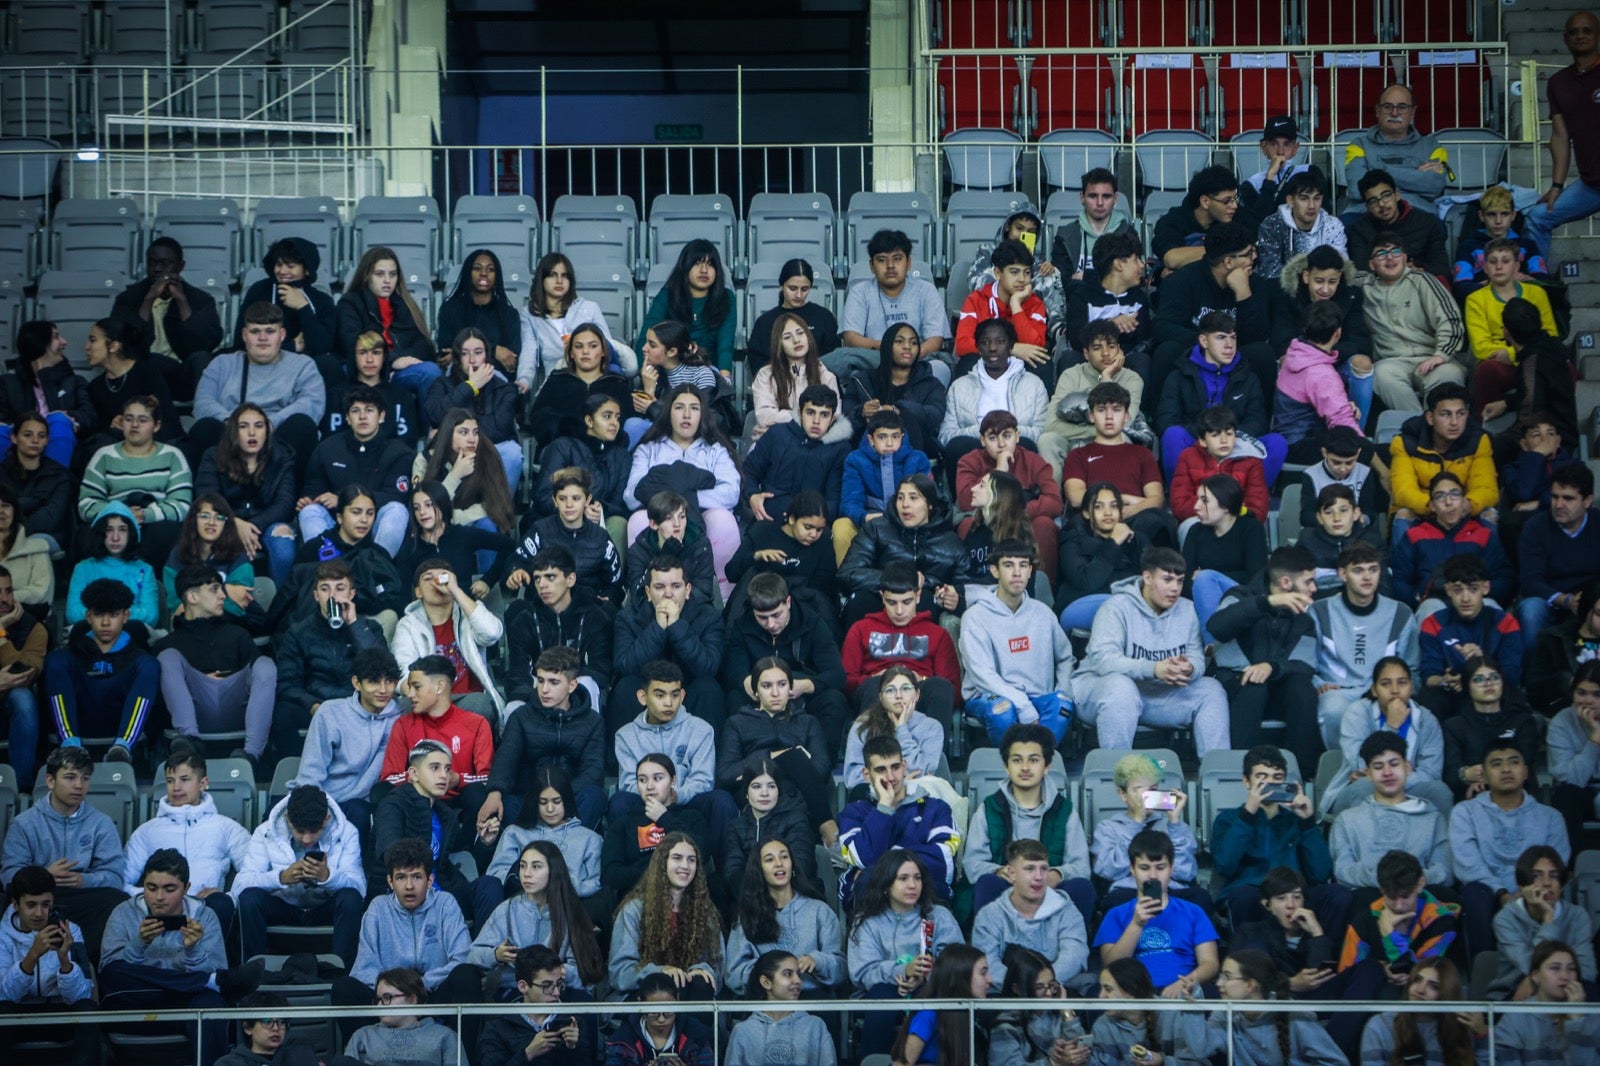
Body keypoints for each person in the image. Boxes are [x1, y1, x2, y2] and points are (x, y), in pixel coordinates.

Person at [1074, 547, 1231, 756]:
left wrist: (1190, 668)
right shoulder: (1115, 608)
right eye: (1167, 580)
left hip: (1157, 696)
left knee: (1211, 689)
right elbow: (1104, 661)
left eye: (1180, 581)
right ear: (1147, 577)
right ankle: (1117, 775)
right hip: (1100, 692)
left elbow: (1197, 657)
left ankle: (1217, 776)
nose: (1175, 588)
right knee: (1121, 688)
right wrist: (1154, 668)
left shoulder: (1188, 610)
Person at [99, 848, 250, 1065]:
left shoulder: (204, 916)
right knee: (112, 972)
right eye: (151, 888)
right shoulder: (124, 912)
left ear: (186, 888)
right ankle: (199, 982)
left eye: (169, 889)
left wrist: (193, 951)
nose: (159, 897)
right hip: (137, 1003)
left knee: (211, 1002)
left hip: (183, 1006)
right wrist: (139, 944)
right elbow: (110, 972)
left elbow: (217, 968)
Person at [335, 838, 479, 1028]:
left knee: (467, 975)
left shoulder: (446, 903)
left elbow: (462, 957)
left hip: (433, 993)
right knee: (344, 988)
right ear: (390, 881)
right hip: (389, 1000)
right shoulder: (378, 908)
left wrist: (422, 984)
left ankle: (463, 1056)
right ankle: (361, 1053)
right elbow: (364, 969)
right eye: (401, 877)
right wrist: (395, 992)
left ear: (430, 880)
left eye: (417, 877)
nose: (409, 886)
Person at [0, 745, 126, 960]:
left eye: (85, 778)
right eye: (70, 777)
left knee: (115, 900)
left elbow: (115, 877)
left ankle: (90, 966)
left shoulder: (101, 823)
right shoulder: (25, 823)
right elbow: (8, 876)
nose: (79, 785)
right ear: (50, 781)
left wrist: (83, 880)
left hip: (81, 897)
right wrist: (43, 877)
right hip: (37, 897)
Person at [964, 721, 1094, 919]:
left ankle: (1069, 946)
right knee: (987, 884)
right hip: (1006, 888)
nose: (1024, 767)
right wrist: (1001, 871)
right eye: (1016, 760)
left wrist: (1056, 875)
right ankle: (991, 948)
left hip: (1050, 889)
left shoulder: (1064, 810)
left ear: (1047, 766)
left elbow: (1081, 866)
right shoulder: (989, 808)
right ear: (1006, 767)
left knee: (1081, 888)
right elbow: (973, 863)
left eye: (1033, 760)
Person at [1451, 741, 1570, 956]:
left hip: (1536, 889)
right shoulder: (1465, 812)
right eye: (1496, 764)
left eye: (1513, 763)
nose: (1506, 769)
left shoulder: (1550, 817)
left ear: (1525, 772)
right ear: (1484, 776)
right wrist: (1502, 894)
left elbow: (1556, 863)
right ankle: (1482, 969)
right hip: (1488, 892)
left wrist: (1526, 892)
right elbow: (1468, 865)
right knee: (1474, 894)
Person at [1210, 745, 1346, 932]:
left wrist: (1307, 822)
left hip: (1294, 894)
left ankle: (1324, 955)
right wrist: (1248, 814)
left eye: (1277, 778)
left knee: (1337, 893)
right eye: (1261, 777)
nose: (1269, 784)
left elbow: (1321, 873)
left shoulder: (1296, 820)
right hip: (1252, 892)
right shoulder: (1229, 820)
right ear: (1246, 782)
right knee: (1243, 897)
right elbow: (1224, 865)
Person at [624, 383, 741, 595]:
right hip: (660, 522)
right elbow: (631, 496)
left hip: (702, 521)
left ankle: (726, 598)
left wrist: (690, 499)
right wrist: (669, 506)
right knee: (638, 519)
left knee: (722, 518)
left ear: (702, 414)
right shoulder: (649, 449)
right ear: (668, 412)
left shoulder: (715, 450)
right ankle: (642, 596)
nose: (686, 415)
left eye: (694, 408)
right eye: (679, 407)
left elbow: (731, 492)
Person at [1208, 549, 1322, 766]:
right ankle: (1240, 772)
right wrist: (1266, 603)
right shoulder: (1239, 595)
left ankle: (1306, 775)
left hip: (1278, 686)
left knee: (1301, 687)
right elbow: (1217, 627)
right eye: (1309, 582)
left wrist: (1272, 667)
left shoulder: (1305, 613)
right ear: (1286, 582)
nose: (1314, 588)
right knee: (1252, 686)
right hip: (1234, 684)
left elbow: (1306, 665)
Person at [845, 849, 963, 1056]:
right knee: (883, 995)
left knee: (929, 997)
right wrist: (903, 971)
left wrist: (925, 976)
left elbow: (957, 962)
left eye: (917, 878)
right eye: (903, 878)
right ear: (886, 884)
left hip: (929, 989)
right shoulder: (866, 921)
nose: (912, 885)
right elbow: (862, 972)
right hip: (879, 993)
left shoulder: (940, 915)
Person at [233, 783, 366, 965]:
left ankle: (342, 975)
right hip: (283, 907)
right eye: (300, 831)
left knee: (350, 898)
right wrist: (281, 878)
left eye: (314, 831)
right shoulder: (264, 832)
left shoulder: (347, 832)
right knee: (249, 899)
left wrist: (328, 877)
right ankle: (253, 972)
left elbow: (360, 888)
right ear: (288, 819)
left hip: (324, 908)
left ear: (326, 820)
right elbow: (239, 886)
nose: (306, 839)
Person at [122, 743, 250, 932]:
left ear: (203, 783)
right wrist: (151, 894)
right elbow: (121, 879)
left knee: (221, 904)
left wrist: (230, 896)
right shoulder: (147, 831)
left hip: (206, 909)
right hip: (157, 909)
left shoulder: (225, 827)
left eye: (184, 779)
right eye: (170, 780)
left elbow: (252, 872)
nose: (176, 787)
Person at [959, 539, 1076, 743]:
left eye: (1023, 565)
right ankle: (1010, 767)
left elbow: (1066, 657)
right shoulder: (975, 616)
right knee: (1002, 709)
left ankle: (1039, 763)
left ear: (1030, 571)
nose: (1016, 573)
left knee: (1064, 705)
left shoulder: (1044, 613)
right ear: (994, 571)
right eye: (1008, 565)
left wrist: (1062, 690)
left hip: (1038, 696)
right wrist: (1022, 704)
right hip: (988, 696)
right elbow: (982, 674)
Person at [190, 301, 325, 478]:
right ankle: (212, 498)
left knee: (302, 425)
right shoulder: (221, 364)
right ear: (245, 335)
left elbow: (311, 404)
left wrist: (268, 425)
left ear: (282, 334)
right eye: (255, 331)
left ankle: (294, 499)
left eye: (270, 331)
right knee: (204, 428)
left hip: (278, 437)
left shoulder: (303, 365)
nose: (263, 338)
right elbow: (202, 403)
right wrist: (237, 426)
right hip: (230, 436)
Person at [156, 563, 275, 761]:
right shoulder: (169, 644)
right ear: (192, 597)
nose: (223, 595)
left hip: (235, 706)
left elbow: (260, 682)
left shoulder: (237, 634)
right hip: (192, 709)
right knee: (167, 658)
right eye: (214, 589)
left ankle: (252, 755)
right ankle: (189, 740)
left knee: (265, 664)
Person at [273, 560, 388, 758]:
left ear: (351, 594)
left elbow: (382, 672)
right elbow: (288, 683)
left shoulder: (369, 628)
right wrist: (313, 706)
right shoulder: (298, 632)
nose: (333, 595)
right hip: (317, 704)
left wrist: (354, 625)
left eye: (340, 588)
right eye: (325, 589)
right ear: (316, 596)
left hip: (359, 704)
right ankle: (295, 771)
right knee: (283, 713)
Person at [719, 657, 837, 848]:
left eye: (782, 684)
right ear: (755, 691)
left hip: (797, 794)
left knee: (794, 767)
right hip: (753, 793)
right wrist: (774, 757)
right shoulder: (737, 722)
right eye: (766, 686)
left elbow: (821, 769)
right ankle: (827, 828)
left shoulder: (807, 722)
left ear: (790, 688)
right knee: (794, 757)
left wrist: (788, 764)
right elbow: (725, 774)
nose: (775, 693)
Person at [1310, 542, 1420, 746]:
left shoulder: (1401, 613)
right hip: (1339, 692)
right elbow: (1308, 663)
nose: (1367, 577)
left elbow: (1412, 667)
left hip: (1385, 689)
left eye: (1373, 570)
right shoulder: (1319, 611)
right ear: (1343, 574)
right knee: (1332, 709)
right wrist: (1318, 684)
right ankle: (1342, 768)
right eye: (1358, 570)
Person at [1150, 221, 1273, 404]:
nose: (1254, 258)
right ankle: (1160, 422)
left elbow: (1257, 335)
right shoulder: (1181, 281)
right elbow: (1163, 326)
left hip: (1235, 355)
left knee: (1262, 353)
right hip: (1194, 352)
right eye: (1248, 254)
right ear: (1228, 262)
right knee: (1166, 351)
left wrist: (1243, 294)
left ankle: (1261, 422)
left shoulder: (1254, 284)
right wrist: (1209, 346)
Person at [292, 645, 403, 843]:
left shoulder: (399, 718)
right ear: (357, 683)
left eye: (390, 681)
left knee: (360, 813)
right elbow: (311, 772)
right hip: (323, 798)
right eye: (374, 682)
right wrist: (314, 809)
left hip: (360, 805)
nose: (383, 690)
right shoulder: (330, 713)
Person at [371, 737, 488, 922]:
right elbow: (391, 854)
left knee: (488, 886)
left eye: (447, 769)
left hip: (443, 892)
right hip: (406, 894)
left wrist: (484, 842)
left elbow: (462, 856)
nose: (444, 775)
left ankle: (484, 949)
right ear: (413, 774)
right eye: (435, 768)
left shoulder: (444, 813)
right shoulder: (393, 805)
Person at [470, 839, 605, 998]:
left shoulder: (570, 911)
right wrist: (496, 955)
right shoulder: (507, 909)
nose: (526, 873)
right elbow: (472, 956)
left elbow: (587, 976)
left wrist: (562, 972)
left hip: (558, 991)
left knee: (582, 999)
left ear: (553, 871)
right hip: (516, 991)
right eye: (522, 866)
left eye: (536, 866)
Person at [840, 559, 961, 736]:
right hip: (876, 692)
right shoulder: (861, 629)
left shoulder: (937, 634)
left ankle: (933, 758)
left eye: (906, 602)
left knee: (939, 687)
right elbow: (845, 680)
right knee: (875, 686)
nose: (899, 611)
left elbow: (953, 691)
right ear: (882, 596)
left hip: (918, 694)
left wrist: (922, 680)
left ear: (918, 596)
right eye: (891, 602)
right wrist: (875, 679)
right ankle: (876, 753)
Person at [1093, 830, 1220, 998]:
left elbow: (1210, 963)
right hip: (1133, 992)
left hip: (1183, 987)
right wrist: (1136, 924)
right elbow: (1111, 965)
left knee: (1211, 993)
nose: (1153, 875)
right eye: (1144, 868)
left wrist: (1186, 981)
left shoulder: (1193, 912)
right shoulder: (1116, 915)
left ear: (1171, 868)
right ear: (1132, 869)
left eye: (1160, 867)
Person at [609, 553, 726, 734]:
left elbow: (709, 667)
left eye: (676, 586)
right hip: (648, 692)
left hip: (688, 690)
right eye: (659, 587)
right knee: (625, 688)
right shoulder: (628, 618)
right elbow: (624, 666)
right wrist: (658, 627)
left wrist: (677, 627)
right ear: (648, 593)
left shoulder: (709, 617)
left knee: (709, 689)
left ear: (687, 591)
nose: (668, 594)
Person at [838, 734, 959, 907]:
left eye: (895, 767)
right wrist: (884, 808)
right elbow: (863, 858)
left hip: (926, 905)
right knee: (865, 881)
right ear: (866, 775)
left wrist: (884, 861)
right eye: (880, 770)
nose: (891, 777)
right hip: (873, 912)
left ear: (904, 767)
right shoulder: (853, 814)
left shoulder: (937, 808)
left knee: (870, 875)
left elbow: (944, 865)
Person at [723, 571, 849, 736]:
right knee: (735, 698)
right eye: (762, 618)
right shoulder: (743, 626)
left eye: (777, 615)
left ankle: (823, 760)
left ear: (788, 602)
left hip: (801, 691)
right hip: (761, 694)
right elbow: (733, 670)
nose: (771, 624)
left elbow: (837, 675)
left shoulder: (812, 623)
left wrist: (805, 686)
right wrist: (748, 682)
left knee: (834, 700)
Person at [45, 576, 159, 759]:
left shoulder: (141, 661)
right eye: (98, 614)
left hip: (120, 729)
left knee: (150, 666)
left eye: (113, 614)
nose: (105, 623)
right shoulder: (66, 658)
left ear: (126, 616)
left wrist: (123, 743)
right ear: (88, 616)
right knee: (54, 662)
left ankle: (123, 747)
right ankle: (70, 746)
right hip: (79, 727)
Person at [1322, 664, 1453, 819]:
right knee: (1366, 786)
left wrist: (1398, 779)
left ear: (1411, 687)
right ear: (1374, 690)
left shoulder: (1427, 719)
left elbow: (1431, 772)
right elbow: (1361, 765)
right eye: (1385, 684)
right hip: (1359, 788)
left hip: (1409, 789)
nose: (1395, 690)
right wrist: (1391, 726)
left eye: (1402, 683)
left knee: (1440, 791)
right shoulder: (1357, 713)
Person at [1329, 732, 1454, 891]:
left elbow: (1445, 873)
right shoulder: (1347, 820)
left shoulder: (1433, 818)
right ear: (1368, 774)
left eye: (1394, 764)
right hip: (1368, 897)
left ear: (1407, 767)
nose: (1387, 772)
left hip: (1421, 896)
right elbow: (1342, 871)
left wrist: (1410, 881)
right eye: (1378, 766)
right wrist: (1384, 880)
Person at [0, 864, 98, 1066]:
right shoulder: (3, 936)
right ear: (16, 904)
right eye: (31, 905)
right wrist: (33, 955)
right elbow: (4, 995)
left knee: (88, 1009)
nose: (39, 913)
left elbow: (82, 995)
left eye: (46, 905)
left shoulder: (72, 931)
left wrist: (65, 962)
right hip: (18, 1015)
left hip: (59, 1012)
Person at [838, 474, 965, 629]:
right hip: (880, 599)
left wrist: (954, 598)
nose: (905, 504)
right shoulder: (877, 528)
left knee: (924, 601)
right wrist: (897, 580)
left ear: (930, 505)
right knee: (860, 601)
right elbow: (847, 574)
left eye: (913, 498)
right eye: (900, 498)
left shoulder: (951, 542)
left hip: (924, 604)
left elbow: (966, 587)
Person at [77, 393, 192, 565]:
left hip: (155, 522)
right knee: (86, 536)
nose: (135, 425)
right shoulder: (104, 456)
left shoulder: (172, 456)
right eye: (128, 419)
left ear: (156, 425)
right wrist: (119, 514)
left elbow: (182, 506)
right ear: (121, 422)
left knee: (167, 535)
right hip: (113, 518)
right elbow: (86, 503)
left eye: (143, 420)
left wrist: (145, 515)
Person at [1520, 11, 1600, 254]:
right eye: (1574, 32)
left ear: (1597, 35)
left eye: (1587, 30)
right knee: (1538, 217)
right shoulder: (1558, 82)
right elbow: (1560, 136)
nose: (1580, 36)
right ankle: (1538, 283)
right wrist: (1556, 185)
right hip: (1591, 185)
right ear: (1565, 38)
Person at [391, 557, 507, 725]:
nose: (437, 583)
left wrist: (456, 591)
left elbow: (492, 634)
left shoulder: (469, 613)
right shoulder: (408, 624)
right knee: (402, 706)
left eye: (444, 577)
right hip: (427, 700)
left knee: (480, 705)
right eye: (428, 578)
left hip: (467, 699)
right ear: (418, 592)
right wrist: (426, 697)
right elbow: (402, 670)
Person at [607, 832, 723, 1000]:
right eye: (677, 858)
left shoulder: (705, 911)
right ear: (662, 863)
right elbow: (620, 973)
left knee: (701, 983)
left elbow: (718, 969)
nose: (685, 865)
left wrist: (702, 970)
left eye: (691, 860)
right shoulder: (634, 910)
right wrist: (661, 971)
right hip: (644, 993)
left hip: (689, 993)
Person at [1270, 245, 1376, 428]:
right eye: (1319, 281)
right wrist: (1316, 360)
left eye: (1332, 282)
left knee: (1363, 363)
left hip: (1337, 358)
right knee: (1284, 360)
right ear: (1306, 276)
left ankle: (1359, 431)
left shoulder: (1351, 296)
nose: (1325, 289)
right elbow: (1281, 340)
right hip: (1300, 363)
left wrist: (1327, 357)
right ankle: (1289, 428)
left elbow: (1360, 341)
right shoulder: (1289, 296)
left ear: (1340, 278)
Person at [724, 839, 845, 997]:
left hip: (810, 997)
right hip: (765, 1001)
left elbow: (841, 971)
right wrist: (773, 974)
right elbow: (733, 974)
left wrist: (818, 961)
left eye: (784, 857)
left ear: (792, 864)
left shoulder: (820, 911)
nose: (778, 863)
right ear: (759, 870)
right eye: (769, 859)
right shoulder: (747, 915)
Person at [194, 403, 298, 584]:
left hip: (267, 522)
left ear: (267, 430)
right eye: (244, 426)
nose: (252, 433)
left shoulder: (282, 457)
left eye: (258, 426)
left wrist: (251, 526)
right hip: (223, 521)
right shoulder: (213, 456)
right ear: (233, 431)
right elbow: (207, 499)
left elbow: (285, 503)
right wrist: (234, 523)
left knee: (284, 546)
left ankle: (283, 608)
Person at [108, 237, 225, 397]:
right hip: (141, 371)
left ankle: (203, 413)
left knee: (201, 359)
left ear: (180, 266)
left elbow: (202, 345)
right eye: (152, 263)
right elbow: (125, 343)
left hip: (180, 375)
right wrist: (149, 299)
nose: (157, 269)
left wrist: (182, 301)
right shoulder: (128, 299)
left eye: (165, 263)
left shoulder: (200, 300)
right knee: (145, 361)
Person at [377, 654, 495, 813]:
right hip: (417, 800)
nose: (410, 694)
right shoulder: (403, 724)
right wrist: (421, 777)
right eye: (409, 687)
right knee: (381, 792)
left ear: (440, 686)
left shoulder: (476, 723)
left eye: (416, 687)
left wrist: (457, 779)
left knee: (477, 794)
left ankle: (471, 838)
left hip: (459, 799)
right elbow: (388, 779)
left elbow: (487, 779)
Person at [955, 412, 1063, 582]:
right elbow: (964, 502)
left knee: (1044, 524)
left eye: (1007, 436)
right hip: (983, 518)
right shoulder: (969, 461)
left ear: (1017, 436)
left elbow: (1055, 502)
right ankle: (972, 582)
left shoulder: (1033, 460)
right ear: (982, 440)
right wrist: (998, 470)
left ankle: (1044, 587)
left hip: (1023, 518)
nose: (1001, 444)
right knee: (967, 525)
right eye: (992, 438)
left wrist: (1013, 512)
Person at [1363, 237, 1467, 412]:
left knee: (1449, 374)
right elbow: (1335, 271)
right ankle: (1415, 426)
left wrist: (1440, 355)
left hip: (1432, 356)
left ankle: (1435, 429)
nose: (1390, 258)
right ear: (1371, 264)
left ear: (1405, 258)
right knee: (1380, 374)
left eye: (1396, 252)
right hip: (1392, 361)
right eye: (1381, 254)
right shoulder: (1364, 285)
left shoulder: (1423, 280)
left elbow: (1451, 320)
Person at [502, 546, 614, 709]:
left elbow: (601, 670)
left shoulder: (595, 616)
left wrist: (562, 686)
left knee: (587, 683)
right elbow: (518, 674)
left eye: (550, 577)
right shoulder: (525, 620)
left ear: (571, 579)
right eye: (538, 579)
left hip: (577, 687)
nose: (542, 585)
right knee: (514, 707)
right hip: (539, 689)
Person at [972, 839, 1090, 992]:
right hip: (1008, 994)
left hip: (1056, 990)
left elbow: (1074, 957)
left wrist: (1042, 986)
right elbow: (988, 964)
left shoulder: (1067, 911)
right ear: (1011, 873)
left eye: (1044, 869)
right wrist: (1023, 988)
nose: (1039, 877)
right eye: (1030, 869)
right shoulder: (989, 915)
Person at [1197, 949, 1347, 1066]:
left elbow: (1337, 1062)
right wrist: (1192, 1010)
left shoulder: (1296, 1016)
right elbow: (1201, 1049)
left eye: (1227, 977)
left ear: (1250, 985)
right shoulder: (1224, 1013)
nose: (1218, 983)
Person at [335, 246, 441, 410]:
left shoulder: (405, 304)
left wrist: (403, 361)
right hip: (364, 370)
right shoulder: (350, 303)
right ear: (367, 276)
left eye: (392, 274)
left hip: (398, 372)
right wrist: (391, 361)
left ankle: (432, 433)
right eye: (380, 274)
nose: (387, 280)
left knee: (430, 371)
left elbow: (423, 345)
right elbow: (351, 343)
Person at [1390, 470, 1513, 611]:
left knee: (1491, 606)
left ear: (1464, 501)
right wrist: (1419, 597)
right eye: (1440, 496)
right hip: (1432, 604)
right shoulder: (1415, 535)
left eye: (1455, 494)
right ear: (1432, 506)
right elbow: (1399, 580)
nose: (1448, 502)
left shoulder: (1483, 535)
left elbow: (1504, 577)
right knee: (1430, 607)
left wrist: (1478, 592)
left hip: (1475, 605)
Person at [482, 766, 603, 906]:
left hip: (569, 908)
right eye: (543, 802)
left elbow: (595, 884)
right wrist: (531, 880)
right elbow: (495, 875)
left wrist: (561, 884)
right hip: (520, 906)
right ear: (534, 802)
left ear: (566, 800)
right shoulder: (514, 833)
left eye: (557, 801)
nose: (550, 809)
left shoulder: (589, 839)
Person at [938, 318, 1049, 471]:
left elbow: (1043, 433)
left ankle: (1022, 493)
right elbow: (945, 437)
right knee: (957, 446)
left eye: (1000, 341)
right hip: (975, 449)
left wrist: (1007, 434)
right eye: (985, 342)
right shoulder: (959, 386)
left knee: (1026, 444)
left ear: (1011, 346)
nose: (993, 348)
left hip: (1016, 449)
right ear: (977, 347)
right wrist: (985, 432)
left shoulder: (1034, 384)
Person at [1338, 849, 1461, 986]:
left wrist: (1391, 938)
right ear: (1382, 890)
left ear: (1420, 884)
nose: (1399, 906)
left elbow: (1427, 977)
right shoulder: (1364, 922)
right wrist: (1382, 971)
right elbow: (1347, 975)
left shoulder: (1442, 922)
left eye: (1405, 896)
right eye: (1391, 897)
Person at [835, 229, 948, 378]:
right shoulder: (860, 292)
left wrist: (907, 355)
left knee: (940, 368)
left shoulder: (926, 290)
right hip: (876, 359)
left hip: (917, 359)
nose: (890, 265)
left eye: (897, 259)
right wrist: (890, 350)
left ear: (908, 263)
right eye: (881, 260)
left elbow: (935, 340)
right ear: (871, 266)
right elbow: (851, 337)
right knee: (849, 365)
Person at [1039, 318, 1148, 472]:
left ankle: (1112, 495)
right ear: (1086, 353)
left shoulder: (1132, 379)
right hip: (1072, 442)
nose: (1105, 353)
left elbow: (1124, 425)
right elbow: (1051, 425)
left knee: (1121, 439)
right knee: (1047, 440)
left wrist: (1106, 380)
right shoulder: (1071, 375)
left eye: (1111, 347)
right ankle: (1054, 496)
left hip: (1110, 443)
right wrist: (1095, 431)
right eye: (1097, 348)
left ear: (1119, 349)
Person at [1423, 559, 1526, 721]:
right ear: (1447, 590)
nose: (1465, 598)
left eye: (1473, 589)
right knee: (1430, 699)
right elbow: (1428, 676)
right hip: (1452, 694)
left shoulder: (1505, 623)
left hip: (1493, 691)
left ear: (1486, 588)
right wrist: (1445, 681)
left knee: (1516, 700)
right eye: (1457, 590)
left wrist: (1481, 662)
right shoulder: (1432, 623)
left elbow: (1512, 676)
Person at [1489, 846, 1597, 1000]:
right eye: (1537, 876)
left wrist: (1563, 981)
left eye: (1554, 876)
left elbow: (1587, 971)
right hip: (1514, 991)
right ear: (1522, 886)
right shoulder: (1506, 919)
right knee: (1532, 983)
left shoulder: (1577, 916)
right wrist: (1548, 918)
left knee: (1591, 992)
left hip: (1568, 988)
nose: (1547, 883)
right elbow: (1533, 967)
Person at [1465, 241, 1561, 415]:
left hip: (1534, 360)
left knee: (1565, 369)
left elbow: (1551, 336)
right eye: (1493, 262)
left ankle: (1554, 428)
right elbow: (1481, 347)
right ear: (1485, 267)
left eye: (1505, 261)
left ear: (1517, 266)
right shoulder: (1475, 299)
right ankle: (1484, 429)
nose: (1499, 267)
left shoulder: (1537, 294)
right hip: (1501, 365)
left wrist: (1513, 354)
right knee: (1486, 370)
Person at [602, 752, 711, 899]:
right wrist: (660, 865)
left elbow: (700, 854)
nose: (649, 786)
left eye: (658, 778)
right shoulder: (625, 822)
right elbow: (610, 875)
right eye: (642, 780)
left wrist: (663, 818)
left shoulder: (692, 817)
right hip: (639, 897)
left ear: (673, 781)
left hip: (685, 897)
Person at [292, 484, 407, 623]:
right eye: (356, 512)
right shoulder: (314, 548)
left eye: (370, 513)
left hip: (363, 624)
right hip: (318, 622)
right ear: (340, 517)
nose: (364, 520)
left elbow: (390, 598)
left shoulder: (376, 554)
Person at [1389, 382, 1497, 530]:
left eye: (1460, 414)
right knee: (1403, 514)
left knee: (1489, 514)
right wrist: (1437, 507)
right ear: (1430, 418)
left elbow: (1486, 488)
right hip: (1423, 511)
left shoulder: (1479, 441)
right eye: (1445, 414)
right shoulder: (1405, 442)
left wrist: (1467, 505)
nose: (1454, 422)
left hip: (1462, 511)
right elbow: (1403, 492)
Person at [425, 327, 522, 486]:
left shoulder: (505, 389)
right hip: (453, 452)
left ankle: (499, 510)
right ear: (457, 358)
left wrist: (452, 428)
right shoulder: (441, 385)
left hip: (491, 452)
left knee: (512, 452)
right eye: (464, 353)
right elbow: (435, 415)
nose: (472, 360)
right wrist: (470, 387)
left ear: (487, 356)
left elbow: (500, 429)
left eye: (478, 352)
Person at [744, 383, 852, 524]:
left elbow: (833, 501)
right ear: (800, 413)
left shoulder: (840, 449)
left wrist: (806, 521)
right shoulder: (777, 434)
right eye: (810, 412)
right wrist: (752, 495)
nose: (816, 421)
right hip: (769, 519)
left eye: (824, 415)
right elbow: (748, 471)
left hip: (812, 528)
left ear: (832, 419)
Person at [1517, 463, 1600, 639]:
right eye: (1555, 497)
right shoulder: (1535, 527)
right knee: (1531, 609)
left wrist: (1590, 601)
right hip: (1551, 601)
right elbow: (1530, 581)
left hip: (1594, 600)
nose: (1559, 504)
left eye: (1568, 498)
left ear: (1587, 501)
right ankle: (1534, 666)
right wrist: (1565, 600)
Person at [520, 251, 626, 389]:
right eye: (552, 275)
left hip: (594, 380)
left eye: (564, 276)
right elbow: (528, 354)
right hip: (557, 383)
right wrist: (524, 380)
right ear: (542, 279)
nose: (559, 281)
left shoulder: (590, 308)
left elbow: (606, 348)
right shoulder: (529, 314)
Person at [1273, 300, 1363, 462]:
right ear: (1337, 333)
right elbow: (1342, 423)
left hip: (1287, 440)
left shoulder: (1294, 354)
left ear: (1305, 329)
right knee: (1376, 452)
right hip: (1303, 445)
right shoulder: (1322, 374)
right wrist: (1368, 451)